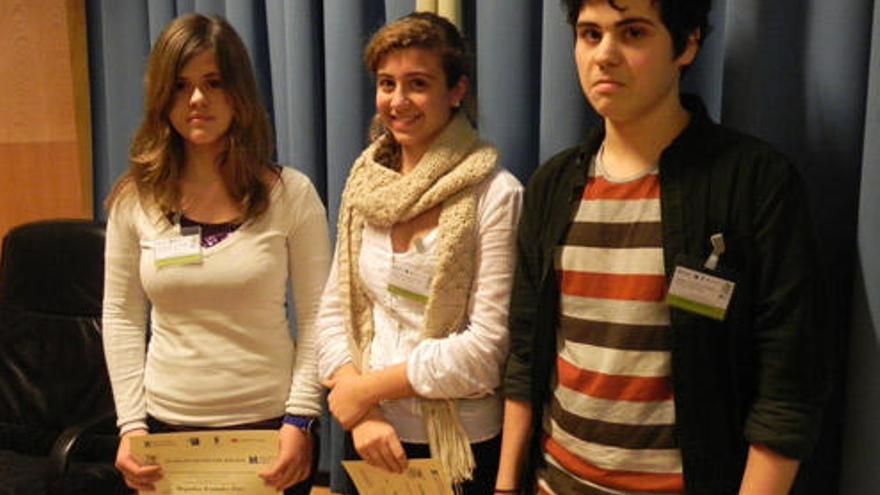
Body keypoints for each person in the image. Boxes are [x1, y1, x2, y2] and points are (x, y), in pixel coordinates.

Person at [495, 0, 828, 494]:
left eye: (632, 33)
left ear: (687, 44)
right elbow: (524, 352)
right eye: (590, 35)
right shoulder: (552, 185)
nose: (604, 55)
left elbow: (788, 383)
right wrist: (505, 485)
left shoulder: (754, 181)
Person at [101, 13, 330, 495]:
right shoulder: (133, 199)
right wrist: (131, 426)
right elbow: (121, 318)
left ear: (239, 93)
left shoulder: (292, 194)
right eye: (181, 86)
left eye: (213, 83)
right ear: (162, 96)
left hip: (271, 430)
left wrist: (300, 419)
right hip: (165, 432)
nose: (197, 100)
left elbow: (318, 319)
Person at [316, 12, 523, 495]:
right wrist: (363, 414)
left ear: (456, 91)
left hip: (457, 445)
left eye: (418, 84)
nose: (398, 101)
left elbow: (486, 353)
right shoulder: (364, 185)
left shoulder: (495, 194)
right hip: (368, 437)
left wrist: (367, 390)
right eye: (387, 83)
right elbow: (333, 314)